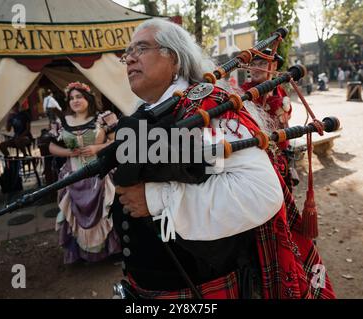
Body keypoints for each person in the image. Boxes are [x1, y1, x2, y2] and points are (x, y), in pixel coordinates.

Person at [112, 18, 335, 299]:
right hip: (146, 284)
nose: (130, 58)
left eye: (141, 48)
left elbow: (259, 192)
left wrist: (156, 199)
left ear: (176, 59)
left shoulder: (209, 106)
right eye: (127, 53)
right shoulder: (141, 114)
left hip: (202, 286)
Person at [48, 82, 121, 264]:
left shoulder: (104, 118)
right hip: (73, 175)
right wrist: (68, 152)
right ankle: (82, 254)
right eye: (71, 98)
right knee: (75, 215)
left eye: (79, 96)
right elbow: (51, 146)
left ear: (88, 98)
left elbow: (117, 141)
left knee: (106, 211)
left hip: (100, 173)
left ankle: (111, 252)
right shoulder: (62, 122)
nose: (75, 101)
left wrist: (97, 147)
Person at [240, 50, 296, 191]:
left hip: (282, 153)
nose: (256, 68)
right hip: (259, 156)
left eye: (263, 63)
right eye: (253, 64)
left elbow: (287, 115)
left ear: (274, 66)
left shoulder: (279, 90)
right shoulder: (243, 92)